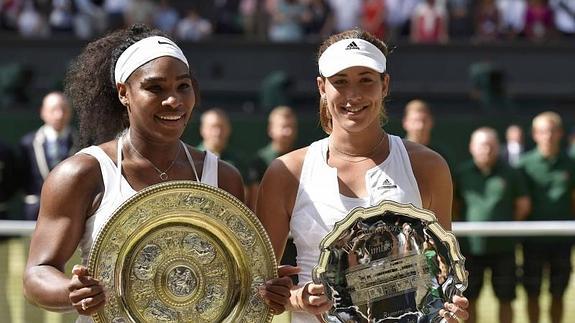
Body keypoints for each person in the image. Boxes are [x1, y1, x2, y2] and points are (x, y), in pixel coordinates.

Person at [22, 24, 296, 321]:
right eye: (155, 88)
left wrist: (265, 289)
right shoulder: (82, 173)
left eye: (183, 86)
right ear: (123, 93)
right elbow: (37, 274)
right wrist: (72, 292)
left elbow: (233, 284)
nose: (174, 100)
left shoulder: (223, 177)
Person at [256, 28, 469, 323]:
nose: (353, 95)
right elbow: (259, 289)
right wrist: (298, 298)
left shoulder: (428, 166)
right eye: (340, 82)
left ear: (385, 85)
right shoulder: (286, 171)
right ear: (321, 87)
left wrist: (448, 307)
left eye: (366, 80)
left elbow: (438, 270)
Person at [454, 127, 530, 323]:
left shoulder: (511, 173)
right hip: (470, 249)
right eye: (481, 145)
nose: (486, 150)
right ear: (472, 147)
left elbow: (522, 205)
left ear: (498, 147)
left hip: (504, 249)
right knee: (469, 299)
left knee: (506, 298)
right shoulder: (462, 174)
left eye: (490, 145)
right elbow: (454, 206)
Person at [517, 111, 575, 323]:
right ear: (534, 134)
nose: (547, 136)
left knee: (558, 291)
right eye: (542, 132)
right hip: (532, 240)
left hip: (562, 240)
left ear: (559, 133)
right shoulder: (524, 164)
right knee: (532, 291)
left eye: (551, 131)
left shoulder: (570, 164)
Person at [19, 91, 77, 220]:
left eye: (63, 109)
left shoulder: (82, 141)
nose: (59, 115)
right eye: (53, 110)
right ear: (43, 112)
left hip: (72, 210)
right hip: (36, 211)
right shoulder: (28, 143)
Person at [197, 107, 247, 180]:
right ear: (202, 130)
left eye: (221, 127)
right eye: (212, 127)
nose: (217, 133)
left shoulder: (238, 160)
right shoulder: (192, 158)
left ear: (229, 129)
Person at [401, 99, 454, 167]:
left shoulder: (441, 156)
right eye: (415, 121)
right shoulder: (396, 152)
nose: (420, 126)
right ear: (405, 122)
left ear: (431, 122)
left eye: (424, 121)